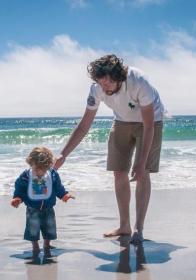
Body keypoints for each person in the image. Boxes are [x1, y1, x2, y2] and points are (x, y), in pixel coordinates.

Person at [54, 54, 166, 244]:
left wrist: (140, 163)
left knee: (143, 172)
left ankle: (139, 227)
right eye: (101, 83)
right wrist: (63, 154)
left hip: (151, 122)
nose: (105, 88)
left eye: (109, 83)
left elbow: (148, 127)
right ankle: (125, 225)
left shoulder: (139, 82)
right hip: (122, 121)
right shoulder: (96, 89)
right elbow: (84, 125)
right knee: (118, 171)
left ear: (120, 77)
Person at [11, 146, 74, 254]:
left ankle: (47, 244)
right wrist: (17, 198)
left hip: (48, 207)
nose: (39, 172)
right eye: (36, 169)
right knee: (32, 228)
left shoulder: (52, 174)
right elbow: (20, 188)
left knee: (49, 226)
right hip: (32, 208)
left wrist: (64, 195)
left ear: (49, 165)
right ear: (31, 164)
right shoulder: (26, 176)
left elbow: (57, 187)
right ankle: (35, 246)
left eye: (43, 169)